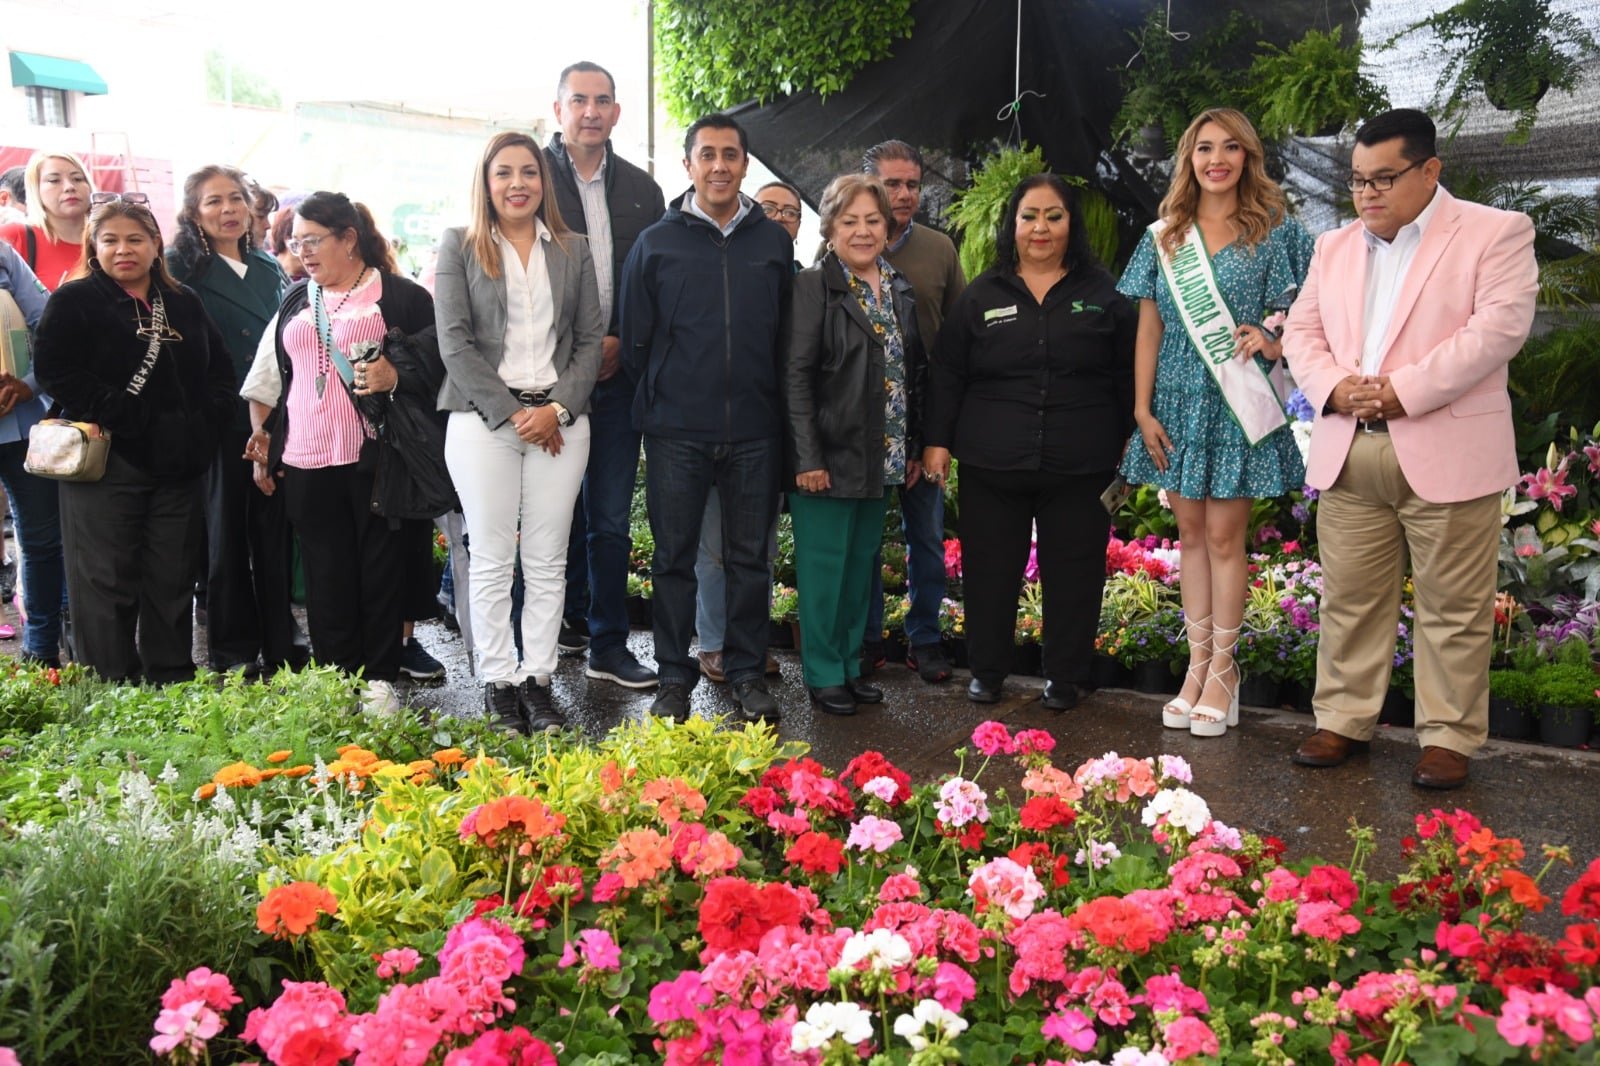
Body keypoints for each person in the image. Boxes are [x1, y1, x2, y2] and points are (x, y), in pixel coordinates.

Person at [1284, 109, 1538, 789]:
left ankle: (1448, 737)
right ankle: (1341, 720)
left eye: (1384, 179)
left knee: (1453, 605)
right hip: (1350, 448)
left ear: (1430, 171)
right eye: (1358, 181)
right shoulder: (1332, 245)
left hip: (1446, 447)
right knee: (1348, 600)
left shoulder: (1496, 233)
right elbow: (1301, 335)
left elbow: (1498, 330)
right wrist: (1336, 388)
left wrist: (1403, 390)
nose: (1368, 194)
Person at [1118, 108, 1313, 738]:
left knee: (1227, 540)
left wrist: (1271, 336)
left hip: (1237, 399)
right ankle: (1197, 668)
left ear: (1248, 155)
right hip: (1174, 400)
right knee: (1191, 538)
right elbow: (1149, 325)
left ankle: (1224, 672)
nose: (1217, 159)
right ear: (1189, 158)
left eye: (1230, 147)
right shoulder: (1164, 234)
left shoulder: (1276, 230)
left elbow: (1309, 308)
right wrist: (1142, 408)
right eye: (1204, 148)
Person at [924, 174, 1136, 708]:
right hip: (992, 463)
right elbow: (948, 373)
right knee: (990, 571)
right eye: (1029, 216)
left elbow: (1129, 372)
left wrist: (1131, 438)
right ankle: (988, 671)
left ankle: (1065, 677)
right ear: (1012, 225)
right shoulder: (982, 296)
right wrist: (937, 442)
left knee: (1076, 571)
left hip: (1080, 464)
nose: (1040, 228)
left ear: (1072, 225)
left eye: (1054, 216)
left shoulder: (1104, 295)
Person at [619, 113, 794, 723]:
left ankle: (746, 670)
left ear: (745, 164)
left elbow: (784, 338)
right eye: (707, 154)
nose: (719, 165)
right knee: (674, 559)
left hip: (754, 430)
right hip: (676, 431)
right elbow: (635, 338)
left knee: (751, 559)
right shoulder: (656, 242)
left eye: (731, 154)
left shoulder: (772, 241)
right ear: (688, 164)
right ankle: (674, 676)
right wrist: (668, 398)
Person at [239, 192, 440, 716]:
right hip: (306, 456)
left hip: (374, 457)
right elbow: (275, 376)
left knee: (377, 569)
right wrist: (265, 439)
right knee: (326, 576)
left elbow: (438, 368)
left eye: (313, 240)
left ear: (348, 239)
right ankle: (335, 679)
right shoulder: (296, 299)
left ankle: (378, 679)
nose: (302, 251)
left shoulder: (400, 297)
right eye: (294, 241)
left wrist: (395, 376)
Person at [435, 131, 604, 734]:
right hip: (484, 423)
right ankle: (497, 681)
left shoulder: (574, 249)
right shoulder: (459, 245)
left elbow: (589, 343)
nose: (517, 184)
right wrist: (514, 414)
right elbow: (453, 343)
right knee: (490, 557)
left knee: (548, 559)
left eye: (528, 172)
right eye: (503, 172)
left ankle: (537, 680)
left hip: (559, 423)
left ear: (543, 180)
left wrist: (555, 410)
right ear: (486, 182)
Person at [32, 194, 236, 682]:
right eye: (110, 240)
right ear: (93, 246)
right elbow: (54, 371)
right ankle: (111, 688)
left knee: (171, 579)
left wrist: (202, 426)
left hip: (178, 466)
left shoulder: (184, 302)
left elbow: (222, 372)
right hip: (106, 462)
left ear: (155, 244)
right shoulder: (74, 300)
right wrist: (124, 414)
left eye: (135, 239)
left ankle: (171, 681)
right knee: (106, 583)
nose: (123, 249)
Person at [547, 60, 666, 689]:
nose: (591, 111)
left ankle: (608, 642)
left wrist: (623, 340)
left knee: (611, 518)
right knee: (545, 514)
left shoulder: (643, 190)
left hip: (619, 377)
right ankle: (543, 636)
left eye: (603, 101)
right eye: (579, 100)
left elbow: (654, 283)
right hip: (546, 378)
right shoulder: (528, 179)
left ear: (617, 112)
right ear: (559, 109)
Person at [786, 174, 924, 715]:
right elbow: (795, 378)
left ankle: (847, 665)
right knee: (824, 572)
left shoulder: (899, 287)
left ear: (888, 229)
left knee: (858, 567)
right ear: (830, 228)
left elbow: (913, 371)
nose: (863, 232)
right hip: (827, 456)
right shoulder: (811, 288)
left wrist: (910, 447)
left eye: (873, 221)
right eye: (850, 221)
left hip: (882, 453)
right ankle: (822, 675)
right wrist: (808, 458)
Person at [167, 164, 304, 676]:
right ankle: (233, 650)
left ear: (250, 207)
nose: (227, 210)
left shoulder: (269, 267)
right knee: (226, 537)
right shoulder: (180, 270)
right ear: (194, 214)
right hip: (222, 420)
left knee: (274, 534)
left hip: (276, 417)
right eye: (212, 202)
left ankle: (281, 642)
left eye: (234, 199)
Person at [861, 140, 967, 684]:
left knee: (925, 535)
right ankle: (869, 638)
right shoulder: (845, 245)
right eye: (892, 184)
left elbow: (956, 344)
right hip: (864, 425)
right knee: (865, 539)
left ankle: (925, 638)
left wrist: (938, 434)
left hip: (925, 420)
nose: (903, 194)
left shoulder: (939, 249)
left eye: (912, 184)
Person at [693, 177, 800, 684]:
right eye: (770, 207)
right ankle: (714, 643)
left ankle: (749, 645)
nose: (779, 217)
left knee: (757, 549)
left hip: (767, 431)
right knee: (714, 547)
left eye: (790, 211)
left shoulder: (799, 280)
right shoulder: (716, 262)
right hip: (706, 427)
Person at [0, 238, 66, 665]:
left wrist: (31, 383)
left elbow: (50, 325)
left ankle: (41, 647)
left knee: (42, 538)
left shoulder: (3, 254)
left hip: (19, 420)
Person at [0, 151, 95, 291]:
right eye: (54, 180)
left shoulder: (112, 240)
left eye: (78, 178)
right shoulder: (14, 236)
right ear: (35, 190)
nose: (69, 187)